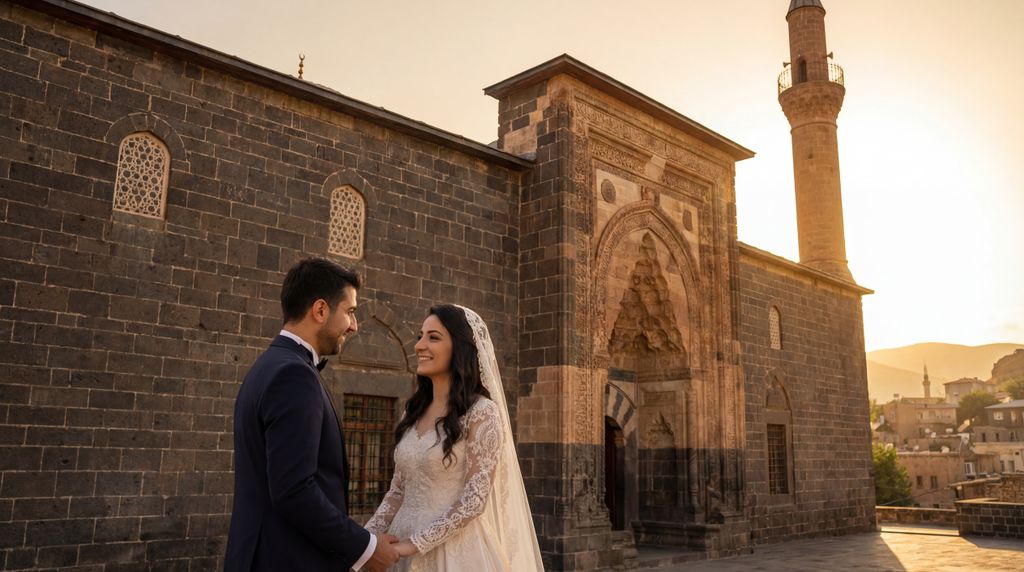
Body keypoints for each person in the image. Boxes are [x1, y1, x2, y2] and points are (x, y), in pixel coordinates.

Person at [224, 258, 400, 572]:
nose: (354, 325)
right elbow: (293, 490)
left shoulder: (268, 366)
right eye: (350, 312)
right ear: (320, 310)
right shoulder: (294, 375)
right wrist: (366, 548)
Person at [364, 305, 544, 572]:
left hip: (454, 553)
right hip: (398, 544)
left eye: (433, 337)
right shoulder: (412, 412)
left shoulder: (482, 413)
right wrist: (366, 539)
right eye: (420, 336)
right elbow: (398, 490)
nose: (420, 346)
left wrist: (413, 544)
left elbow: (473, 500)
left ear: (460, 348)